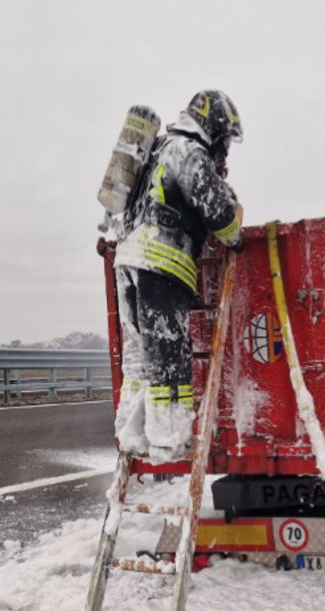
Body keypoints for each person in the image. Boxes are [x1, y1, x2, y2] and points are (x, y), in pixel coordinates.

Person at [106, 90, 246, 462]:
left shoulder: (156, 151)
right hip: (160, 264)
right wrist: (236, 231)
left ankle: (133, 434)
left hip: (128, 264)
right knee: (170, 356)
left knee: (140, 360)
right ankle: (170, 441)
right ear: (213, 129)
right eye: (226, 139)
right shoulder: (188, 152)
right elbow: (223, 219)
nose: (225, 149)